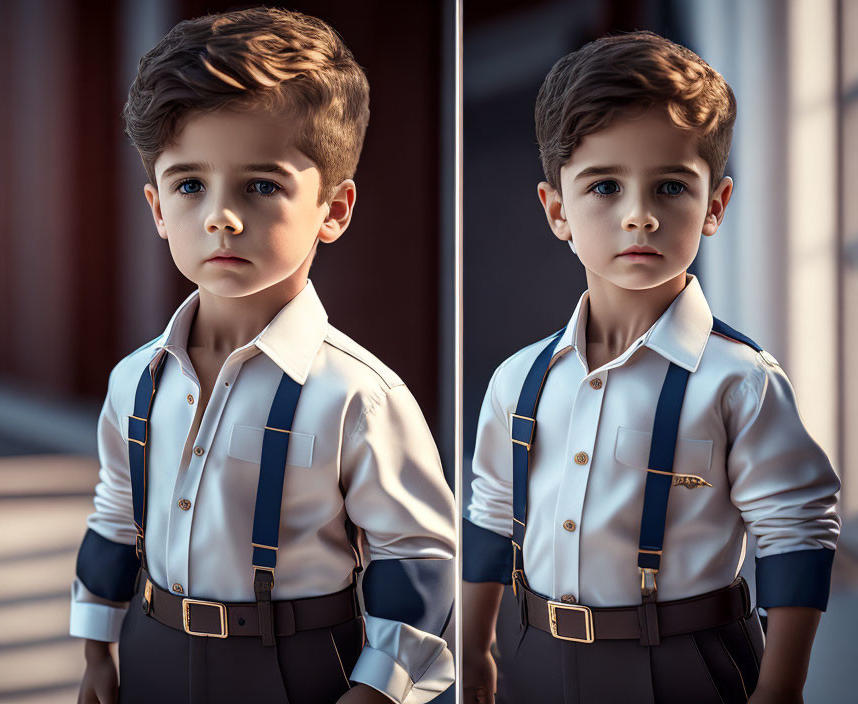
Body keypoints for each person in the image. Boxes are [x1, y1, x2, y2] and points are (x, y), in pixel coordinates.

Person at [70, 7, 455, 704]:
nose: (221, 215)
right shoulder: (135, 380)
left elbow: (415, 556)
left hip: (296, 667)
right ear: (158, 209)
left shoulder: (359, 395)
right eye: (191, 185)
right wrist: (99, 651)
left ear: (334, 210)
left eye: (261, 185)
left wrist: (376, 690)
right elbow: (115, 517)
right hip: (153, 650)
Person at [462, 30, 840, 704]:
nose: (639, 216)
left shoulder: (740, 381)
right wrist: (475, 653)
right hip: (533, 656)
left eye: (670, 186)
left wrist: (780, 687)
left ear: (715, 206)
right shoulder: (518, 380)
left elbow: (795, 530)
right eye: (604, 186)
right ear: (558, 212)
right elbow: (491, 516)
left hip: (686, 664)